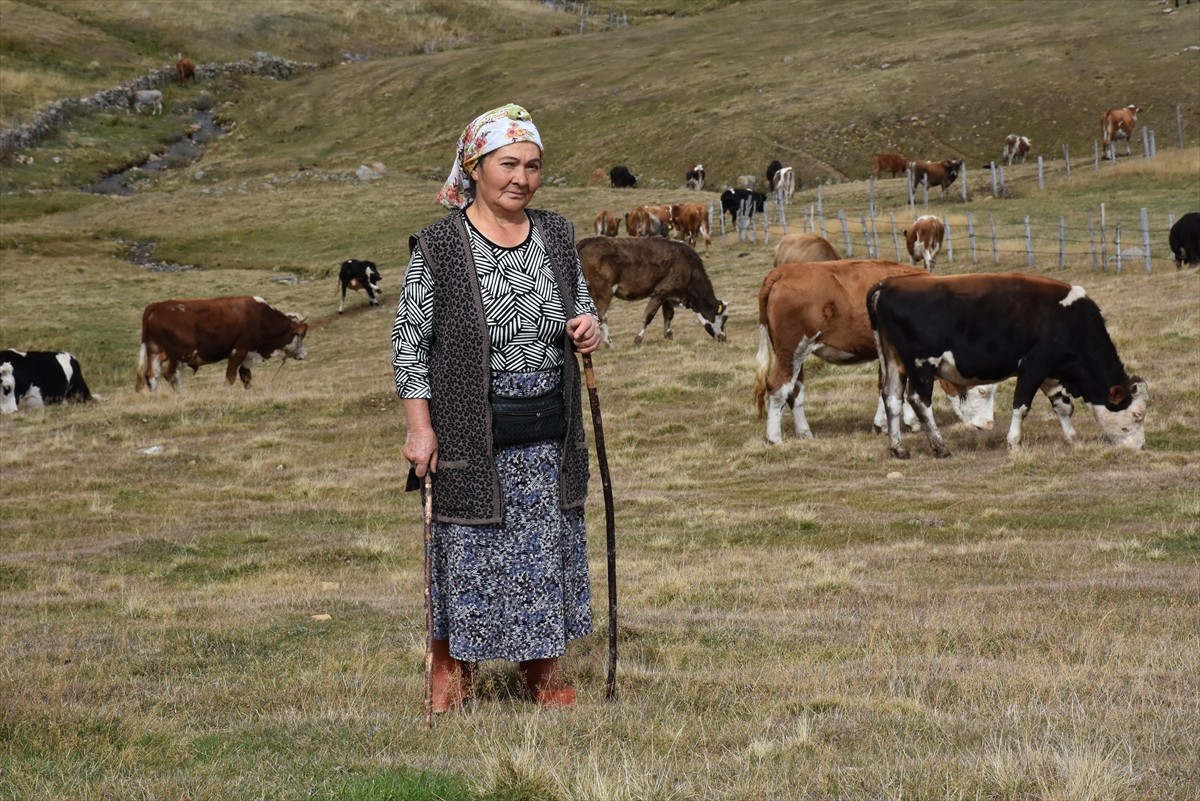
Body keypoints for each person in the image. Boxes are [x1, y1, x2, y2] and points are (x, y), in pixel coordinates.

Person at [391, 103, 602, 711]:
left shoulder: (557, 234)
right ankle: (450, 674)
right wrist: (419, 429)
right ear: (475, 165)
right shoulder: (439, 244)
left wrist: (586, 328)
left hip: (547, 428)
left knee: (544, 551)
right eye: (508, 163)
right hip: (467, 430)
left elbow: (578, 304)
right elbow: (411, 341)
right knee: (465, 553)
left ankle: (542, 671)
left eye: (533, 166)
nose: (522, 178)